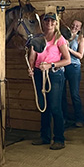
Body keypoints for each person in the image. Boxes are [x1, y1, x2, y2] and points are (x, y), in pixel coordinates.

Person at [28, 12, 71, 150]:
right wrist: (30, 68)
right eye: (47, 21)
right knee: (43, 106)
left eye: (52, 21)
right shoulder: (38, 38)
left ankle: (59, 138)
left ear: (56, 23)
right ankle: (44, 136)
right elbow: (32, 56)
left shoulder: (60, 39)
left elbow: (67, 60)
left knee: (54, 106)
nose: (49, 24)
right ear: (43, 23)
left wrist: (51, 65)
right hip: (39, 74)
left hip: (54, 75)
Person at [62, 19, 84, 127]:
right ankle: (63, 118)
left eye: (77, 26)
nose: (74, 27)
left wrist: (68, 49)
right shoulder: (64, 37)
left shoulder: (81, 39)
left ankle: (79, 119)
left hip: (74, 67)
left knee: (74, 94)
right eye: (73, 25)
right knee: (62, 94)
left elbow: (80, 55)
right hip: (63, 66)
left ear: (80, 28)